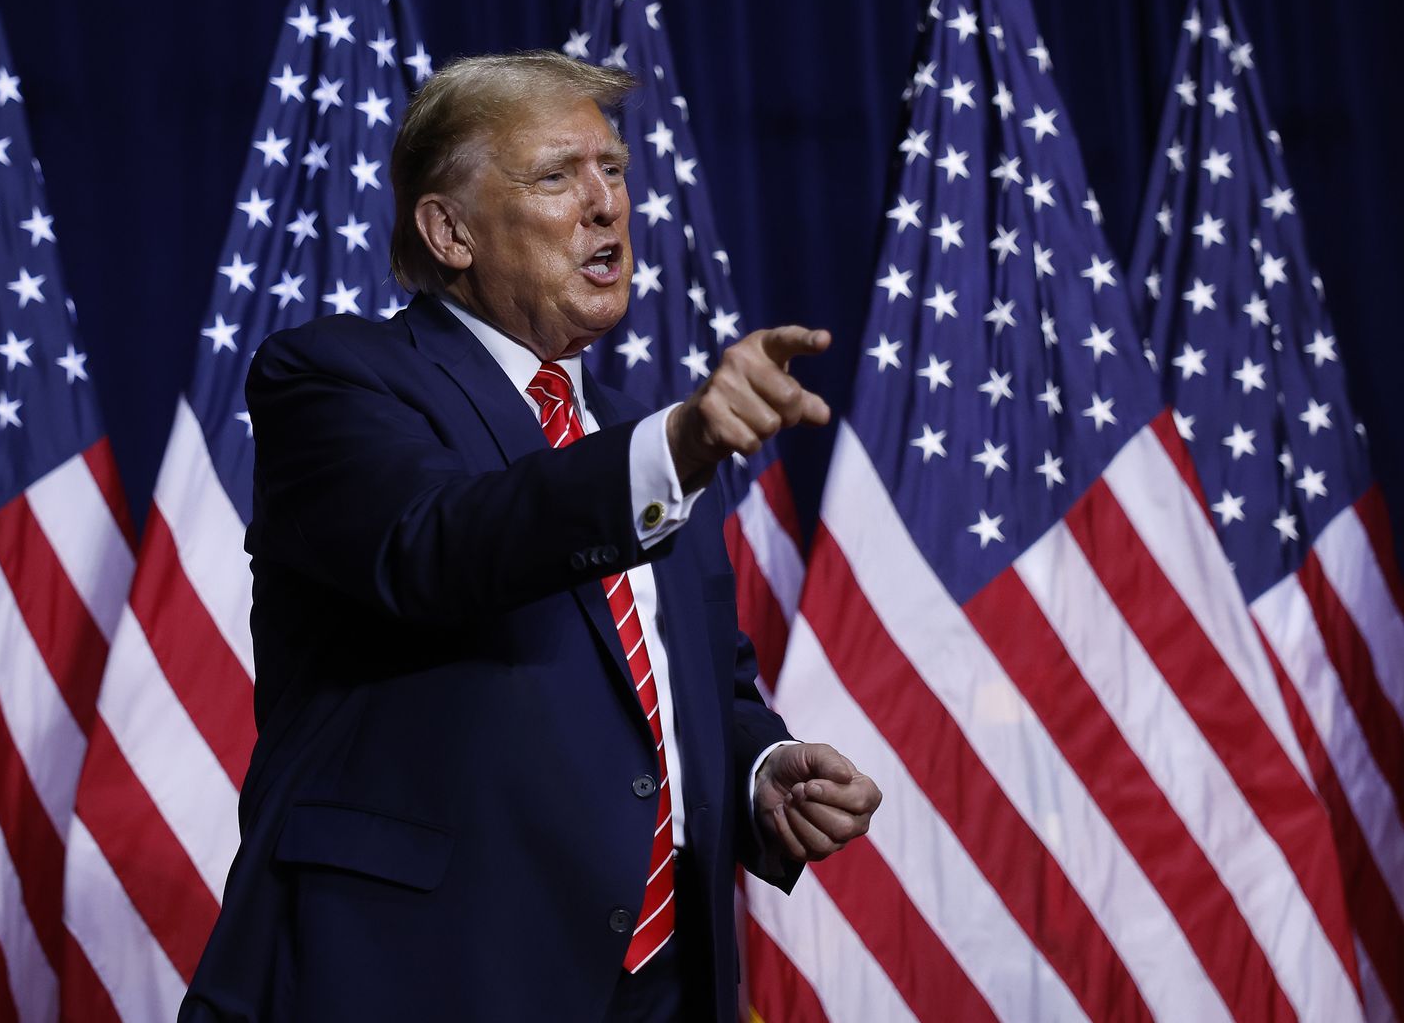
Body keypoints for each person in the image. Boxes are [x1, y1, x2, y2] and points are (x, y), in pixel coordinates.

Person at [180, 51, 880, 1022]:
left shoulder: (642, 436)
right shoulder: (335, 379)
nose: (606, 204)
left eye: (614, 170)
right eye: (557, 176)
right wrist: (674, 450)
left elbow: (687, 685)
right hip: (419, 982)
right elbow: (437, 546)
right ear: (450, 231)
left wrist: (761, 771)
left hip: (663, 989)